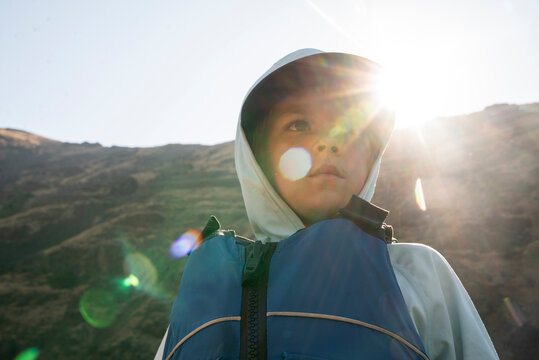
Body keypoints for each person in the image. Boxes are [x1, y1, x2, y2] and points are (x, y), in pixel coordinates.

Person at [155, 49, 499, 359]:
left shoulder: (417, 273)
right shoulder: (200, 298)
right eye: (299, 125)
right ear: (259, 158)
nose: (329, 143)